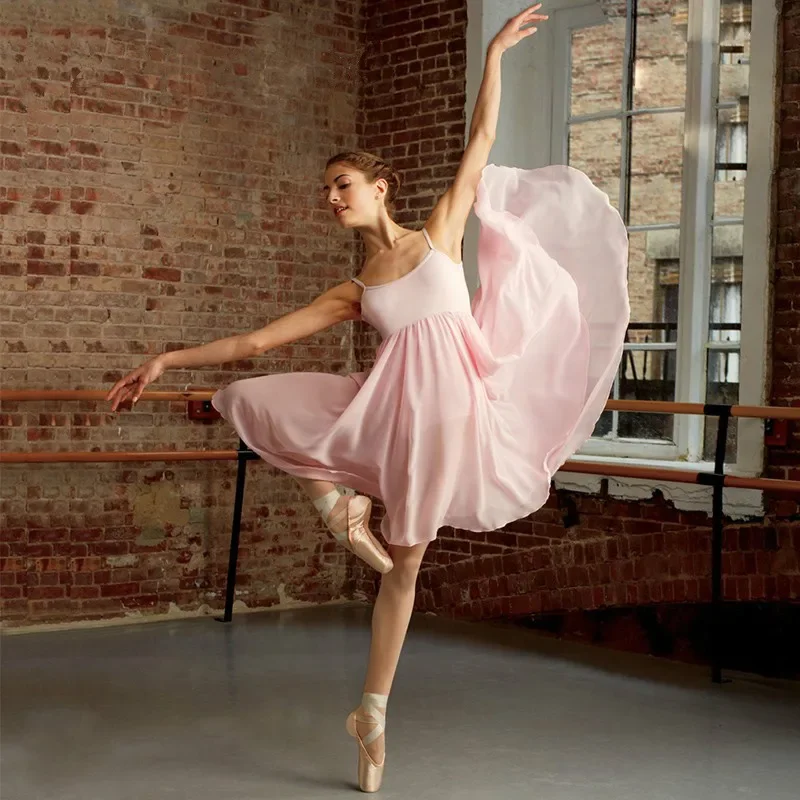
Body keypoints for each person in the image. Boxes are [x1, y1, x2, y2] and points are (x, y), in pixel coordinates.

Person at [107, 4, 629, 792]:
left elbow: (480, 140)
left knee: (405, 572)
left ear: (379, 186)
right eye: (326, 191)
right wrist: (165, 358)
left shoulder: (440, 236)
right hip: (388, 418)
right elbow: (254, 343)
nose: (331, 198)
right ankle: (334, 504)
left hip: (452, 427)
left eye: (341, 185)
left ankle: (372, 712)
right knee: (249, 391)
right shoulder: (353, 290)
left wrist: (493, 55)